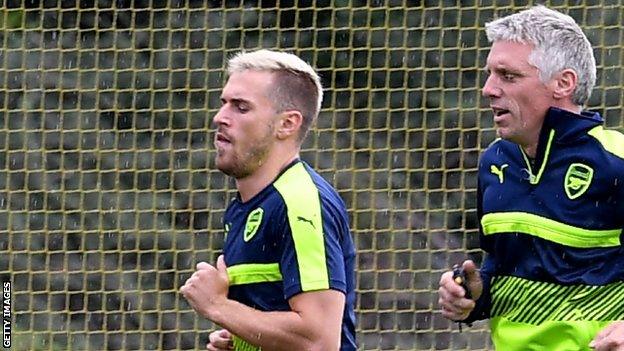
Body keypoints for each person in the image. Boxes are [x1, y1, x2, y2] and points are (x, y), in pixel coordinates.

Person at [437, 5, 624, 350]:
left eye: (508, 76)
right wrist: (474, 297)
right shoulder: (494, 163)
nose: (488, 89)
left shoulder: (616, 163)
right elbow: (509, 273)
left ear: (563, 83)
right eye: (490, 74)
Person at [180, 49, 357, 351]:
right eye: (224, 104)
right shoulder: (247, 206)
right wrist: (242, 339)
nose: (219, 117)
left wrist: (218, 307)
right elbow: (279, 321)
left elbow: (320, 341)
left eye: (241, 107)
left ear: (287, 124)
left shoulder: (300, 204)